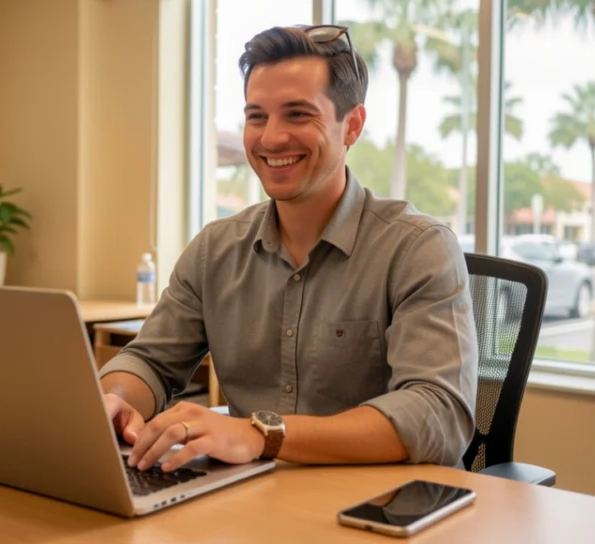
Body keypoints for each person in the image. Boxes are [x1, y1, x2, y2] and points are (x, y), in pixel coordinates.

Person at [98, 24, 477, 474]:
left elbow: (437, 412)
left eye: (297, 115)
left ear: (351, 125)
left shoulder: (417, 248)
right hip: (249, 503)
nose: (271, 138)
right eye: (256, 116)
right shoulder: (214, 250)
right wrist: (116, 400)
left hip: (379, 509)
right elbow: (149, 360)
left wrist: (262, 435)